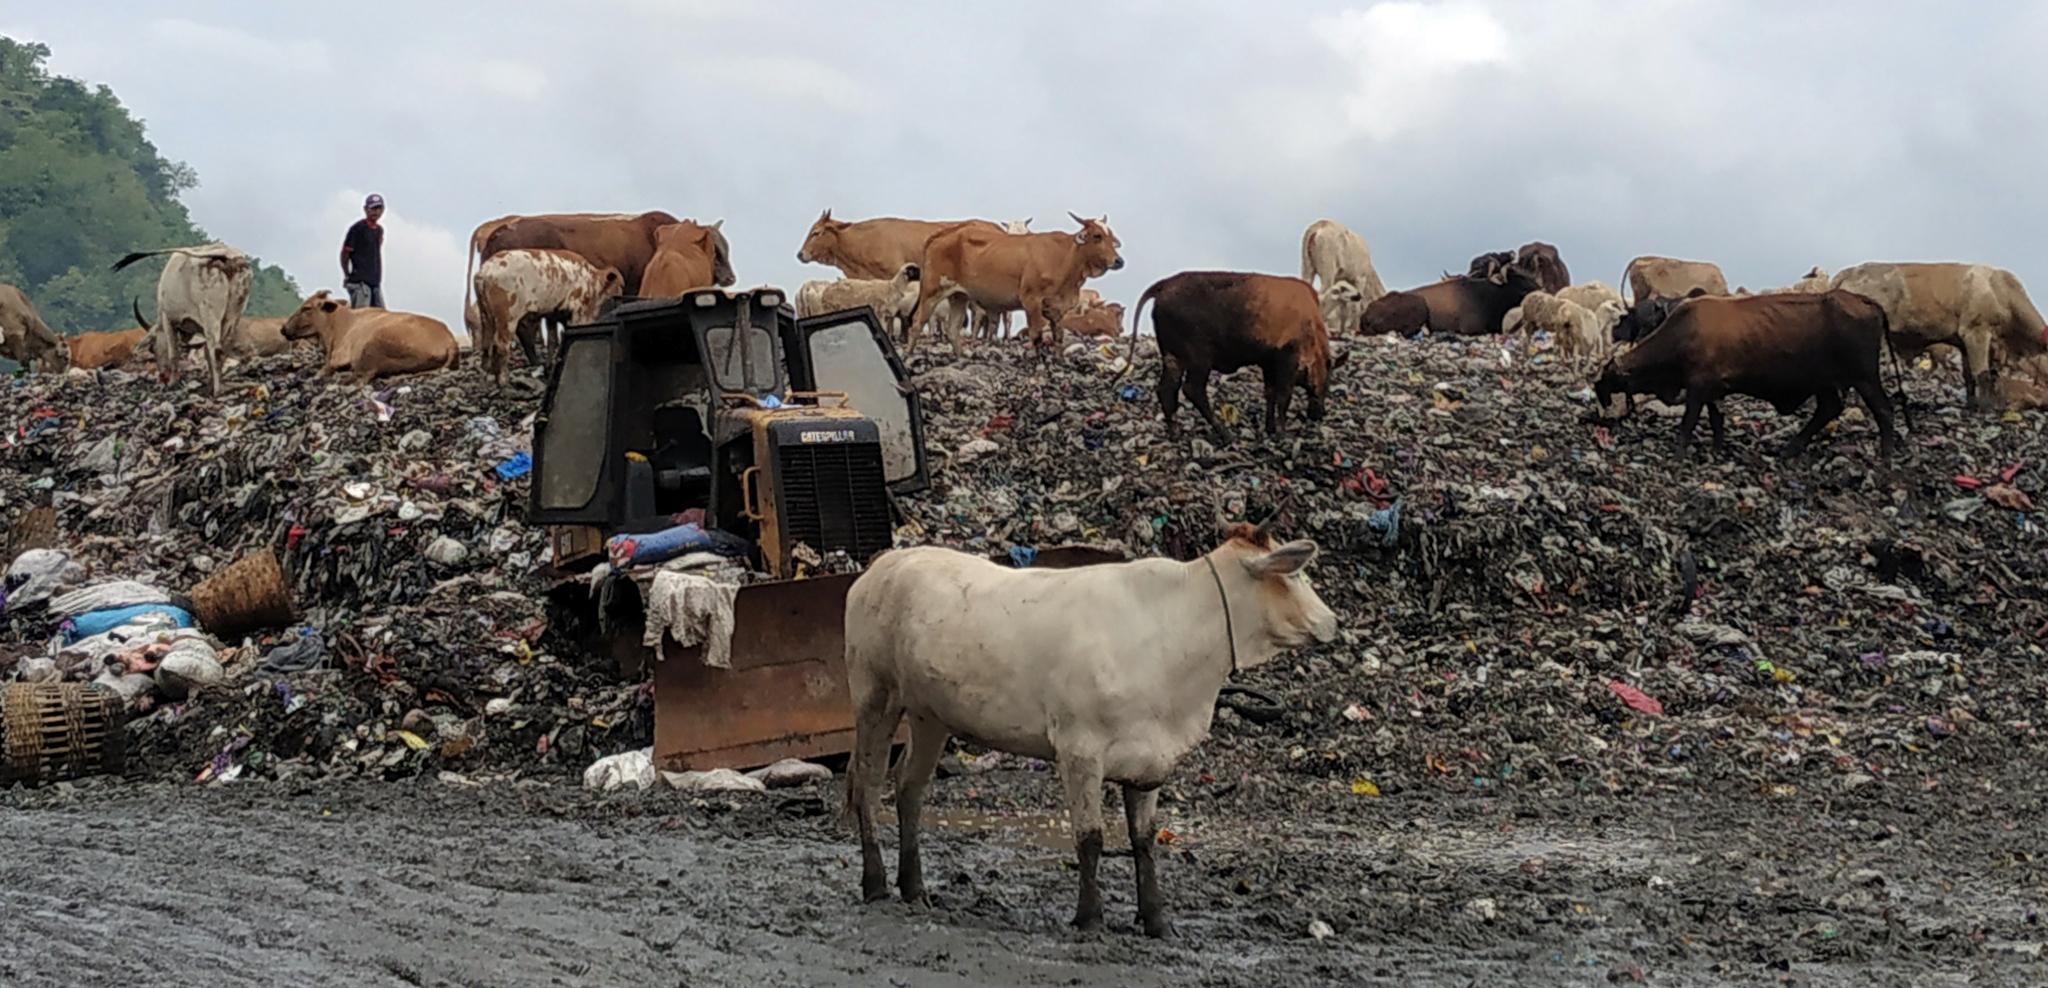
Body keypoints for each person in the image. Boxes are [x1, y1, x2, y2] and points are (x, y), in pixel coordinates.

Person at [341, 193, 386, 309]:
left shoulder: (379, 231)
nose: (376, 212)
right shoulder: (357, 229)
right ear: (366, 209)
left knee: (380, 315)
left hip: (374, 281)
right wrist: (347, 274)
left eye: (378, 208)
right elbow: (345, 252)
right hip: (359, 281)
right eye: (373, 209)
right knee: (361, 316)